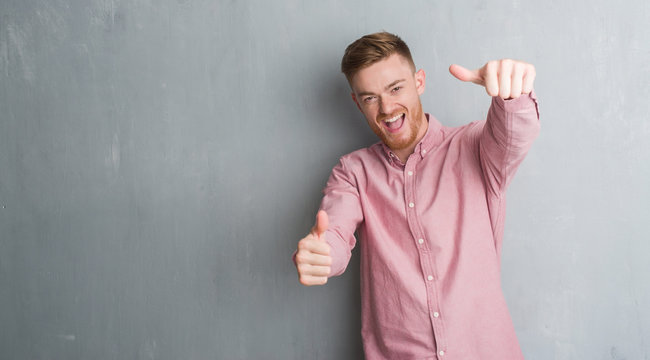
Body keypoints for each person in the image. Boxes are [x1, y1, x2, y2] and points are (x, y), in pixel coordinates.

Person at [293, 32, 539, 359]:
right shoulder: (352, 172)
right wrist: (322, 253)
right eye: (370, 98)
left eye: (396, 88)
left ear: (419, 81)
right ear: (356, 102)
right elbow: (334, 235)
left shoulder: (476, 146)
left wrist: (513, 96)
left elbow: (515, 133)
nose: (386, 108)